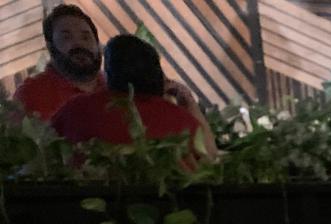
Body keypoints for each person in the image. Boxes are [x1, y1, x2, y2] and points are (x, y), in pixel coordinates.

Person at [52, 35, 216, 162]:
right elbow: (210, 158)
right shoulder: (181, 120)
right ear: (157, 73)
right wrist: (190, 104)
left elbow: (48, 149)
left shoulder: (75, 110)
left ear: (109, 73)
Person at [14, 5, 106, 120]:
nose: (79, 44)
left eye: (85, 38)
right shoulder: (30, 95)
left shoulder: (115, 89)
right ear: (50, 47)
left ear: (98, 44)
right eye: (66, 38)